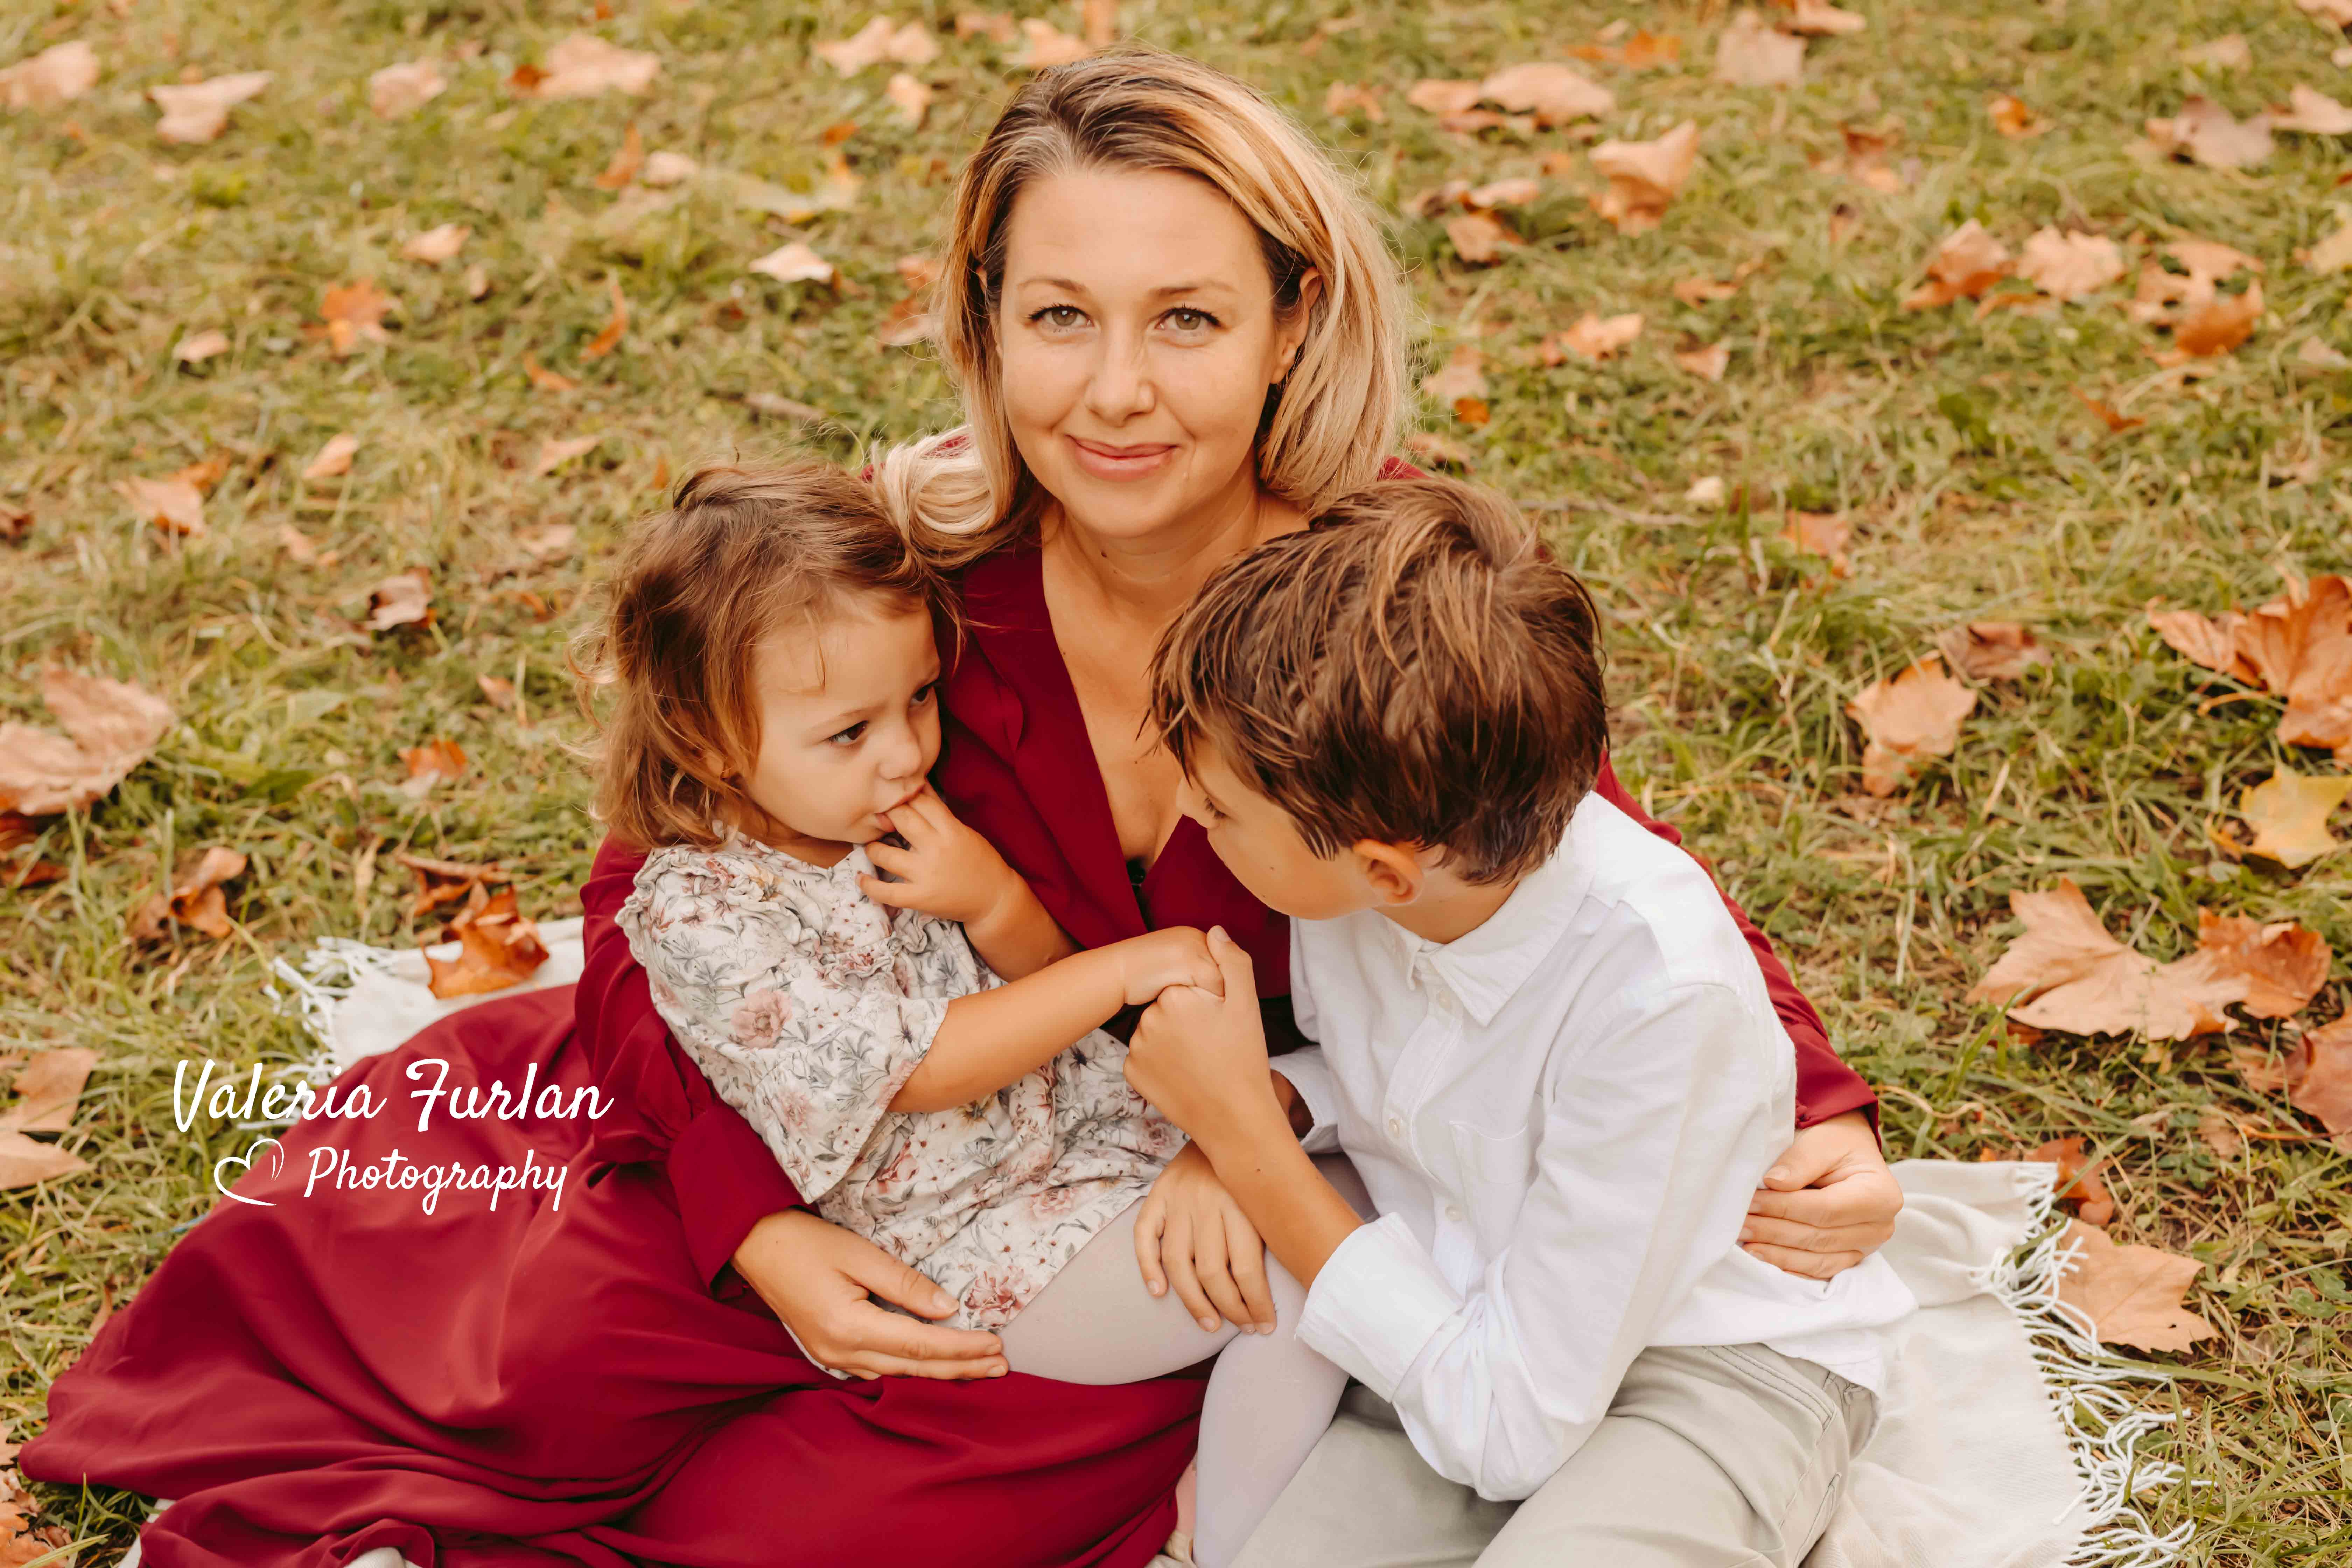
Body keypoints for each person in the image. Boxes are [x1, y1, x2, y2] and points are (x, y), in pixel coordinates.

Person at [25, 47, 1899, 1568]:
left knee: (806, 1525)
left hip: (1142, 1185)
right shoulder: (914, 564)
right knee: (551, 1362)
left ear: (1288, 319)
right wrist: (754, 1219)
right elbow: (645, 895)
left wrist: (1807, 1099)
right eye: (1059, 316)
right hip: (850, 1090)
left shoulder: (1368, 582)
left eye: (1185, 321)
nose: (1115, 393)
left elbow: (1556, 830)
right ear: (986, 323)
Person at [1123, 478, 1917, 1565]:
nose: (1193, 818)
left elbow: (1512, 1425)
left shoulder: (1658, 1000)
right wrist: (1282, 1092)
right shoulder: (1379, 871)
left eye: (1219, 811)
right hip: (1464, 1303)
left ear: (1384, 871)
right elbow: (1417, 1079)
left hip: (1708, 1363)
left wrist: (1249, 1147)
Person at [591, 462, 1352, 1564]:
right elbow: (927, 1067)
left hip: (1093, 1136)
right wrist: (1128, 967)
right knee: (1304, 1287)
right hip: (981, 1235)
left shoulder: (886, 816)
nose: (905, 751)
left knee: (1340, 1207)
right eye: (851, 732)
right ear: (705, 737)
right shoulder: (702, 906)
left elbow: (1050, 990)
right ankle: (1223, 1539)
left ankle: (1223, 1501)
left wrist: (994, 899)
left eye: (918, 700)